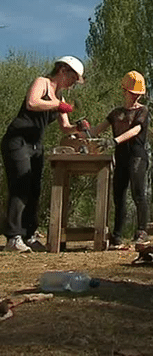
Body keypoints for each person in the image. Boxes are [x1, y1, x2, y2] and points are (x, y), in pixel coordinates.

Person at [2, 56, 88, 252]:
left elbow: (65, 127)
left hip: (35, 144)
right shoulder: (43, 82)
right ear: (63, 71)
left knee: (34, 189)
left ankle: (29, 235)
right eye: (73, 79)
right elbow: (33, 102)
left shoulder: (61, 97)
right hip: (17, 140)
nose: (73, 84)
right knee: (20, 186)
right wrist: (57, 105)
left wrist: (78, 127)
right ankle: (13, 237)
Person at [89, 71, 150, 247]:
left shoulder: (142, 111)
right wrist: (81, 131)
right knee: (118, 195)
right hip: (121, 156)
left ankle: (142, 231)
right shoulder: (116, 113)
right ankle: (117, 235)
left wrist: (114, 140)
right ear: (124, 91)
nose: (136, 96)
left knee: (138, 193)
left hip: (137, 156)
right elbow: (97, 130)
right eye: (133, 92)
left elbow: (136, 130)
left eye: (138, 93)